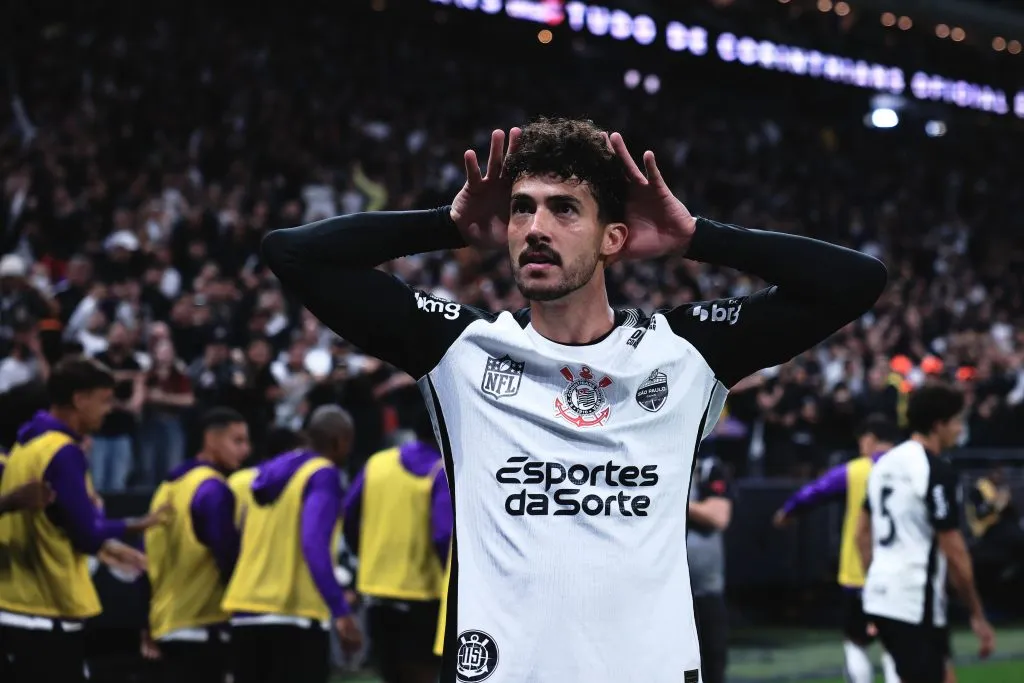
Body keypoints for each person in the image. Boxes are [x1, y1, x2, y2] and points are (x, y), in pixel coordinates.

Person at [262, 118, 887, 682]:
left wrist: (697, 236)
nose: (535, 228)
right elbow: (291, 253)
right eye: (521, 210)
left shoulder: (685, 351)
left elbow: (856, 281)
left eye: (564, 210)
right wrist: (445, 226)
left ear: (613, 238)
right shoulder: (460, 348)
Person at [0, 356, 160, 682]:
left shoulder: (24, 445)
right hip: (47, 611)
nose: (110, 408)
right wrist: (129, 524)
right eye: (104, 400)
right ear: (79, 399)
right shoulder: (64, 451)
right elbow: (87, 534)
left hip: (13, 607)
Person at [857, 385, 996, 683]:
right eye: (957, 421)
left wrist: (877, 579)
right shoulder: (934, 470)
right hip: (913, 600)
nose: (960, 429)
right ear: (938, 425)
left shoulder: (885, 464)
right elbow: (955, 552)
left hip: (882, 596)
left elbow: (861, 534)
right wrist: (976, 613)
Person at [223, 404, 363, 683]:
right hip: (294, 615)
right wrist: (341, 610)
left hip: (244, 612)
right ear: (339, 440)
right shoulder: (322, 474)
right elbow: (313, 543)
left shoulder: (261, 473)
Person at [774, 414, 901, 683]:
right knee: (895, 645)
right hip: (900, 573)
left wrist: (787, 511)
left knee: (856, 642)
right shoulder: (910, 468)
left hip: (858, 575)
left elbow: (815, 491)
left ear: (869, 439)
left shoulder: (856, 470)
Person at [343, 407, 452, 683]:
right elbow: (443, 535)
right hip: (422, 594)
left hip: (375, 590)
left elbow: (349, 513)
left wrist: (364, 553)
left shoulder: (377, 462)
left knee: (389, 674)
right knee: (421, 674)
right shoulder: (440, 471)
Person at [144, 407, 251, 683]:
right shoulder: (212, 489)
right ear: (211, 440)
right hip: (201, 623)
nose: (246, 450)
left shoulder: (167, 487)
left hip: (165, 620)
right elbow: (228, 557)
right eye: (237, 441)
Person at [687, 453, 734, 683]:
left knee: (713, 663)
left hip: (706, 590)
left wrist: (674, 502)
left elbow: (719, 516)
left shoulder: (708, 467)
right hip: (664, 594)